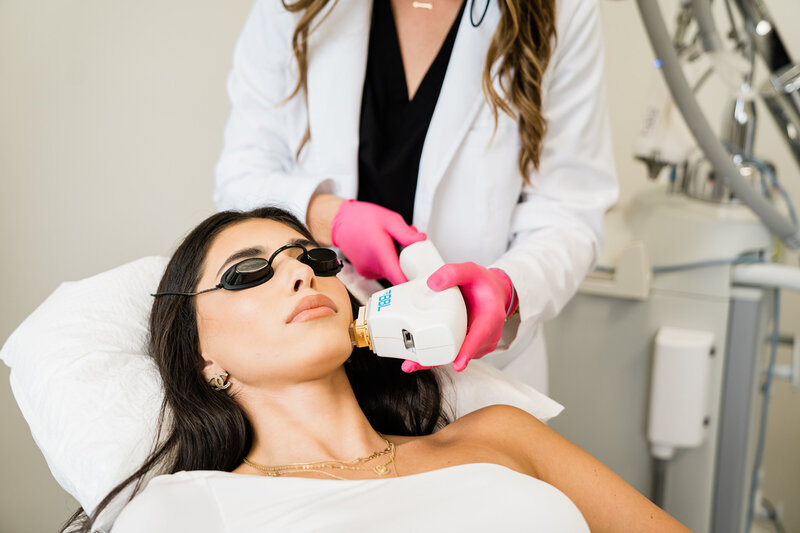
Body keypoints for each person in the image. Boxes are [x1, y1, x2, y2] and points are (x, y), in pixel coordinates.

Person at [62, 208, 686, 533]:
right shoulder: (187, 510)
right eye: (248, 273)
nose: (301, 272)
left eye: (315, 256)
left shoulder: (500, 435)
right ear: (204, 360)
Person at [213, 0, 619, 392]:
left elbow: (570, 210)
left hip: (471, 366)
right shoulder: (295, 6)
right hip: (328, 368)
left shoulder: (560, 8)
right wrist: (326, 217)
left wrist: (508, 288)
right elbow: (240, 173)